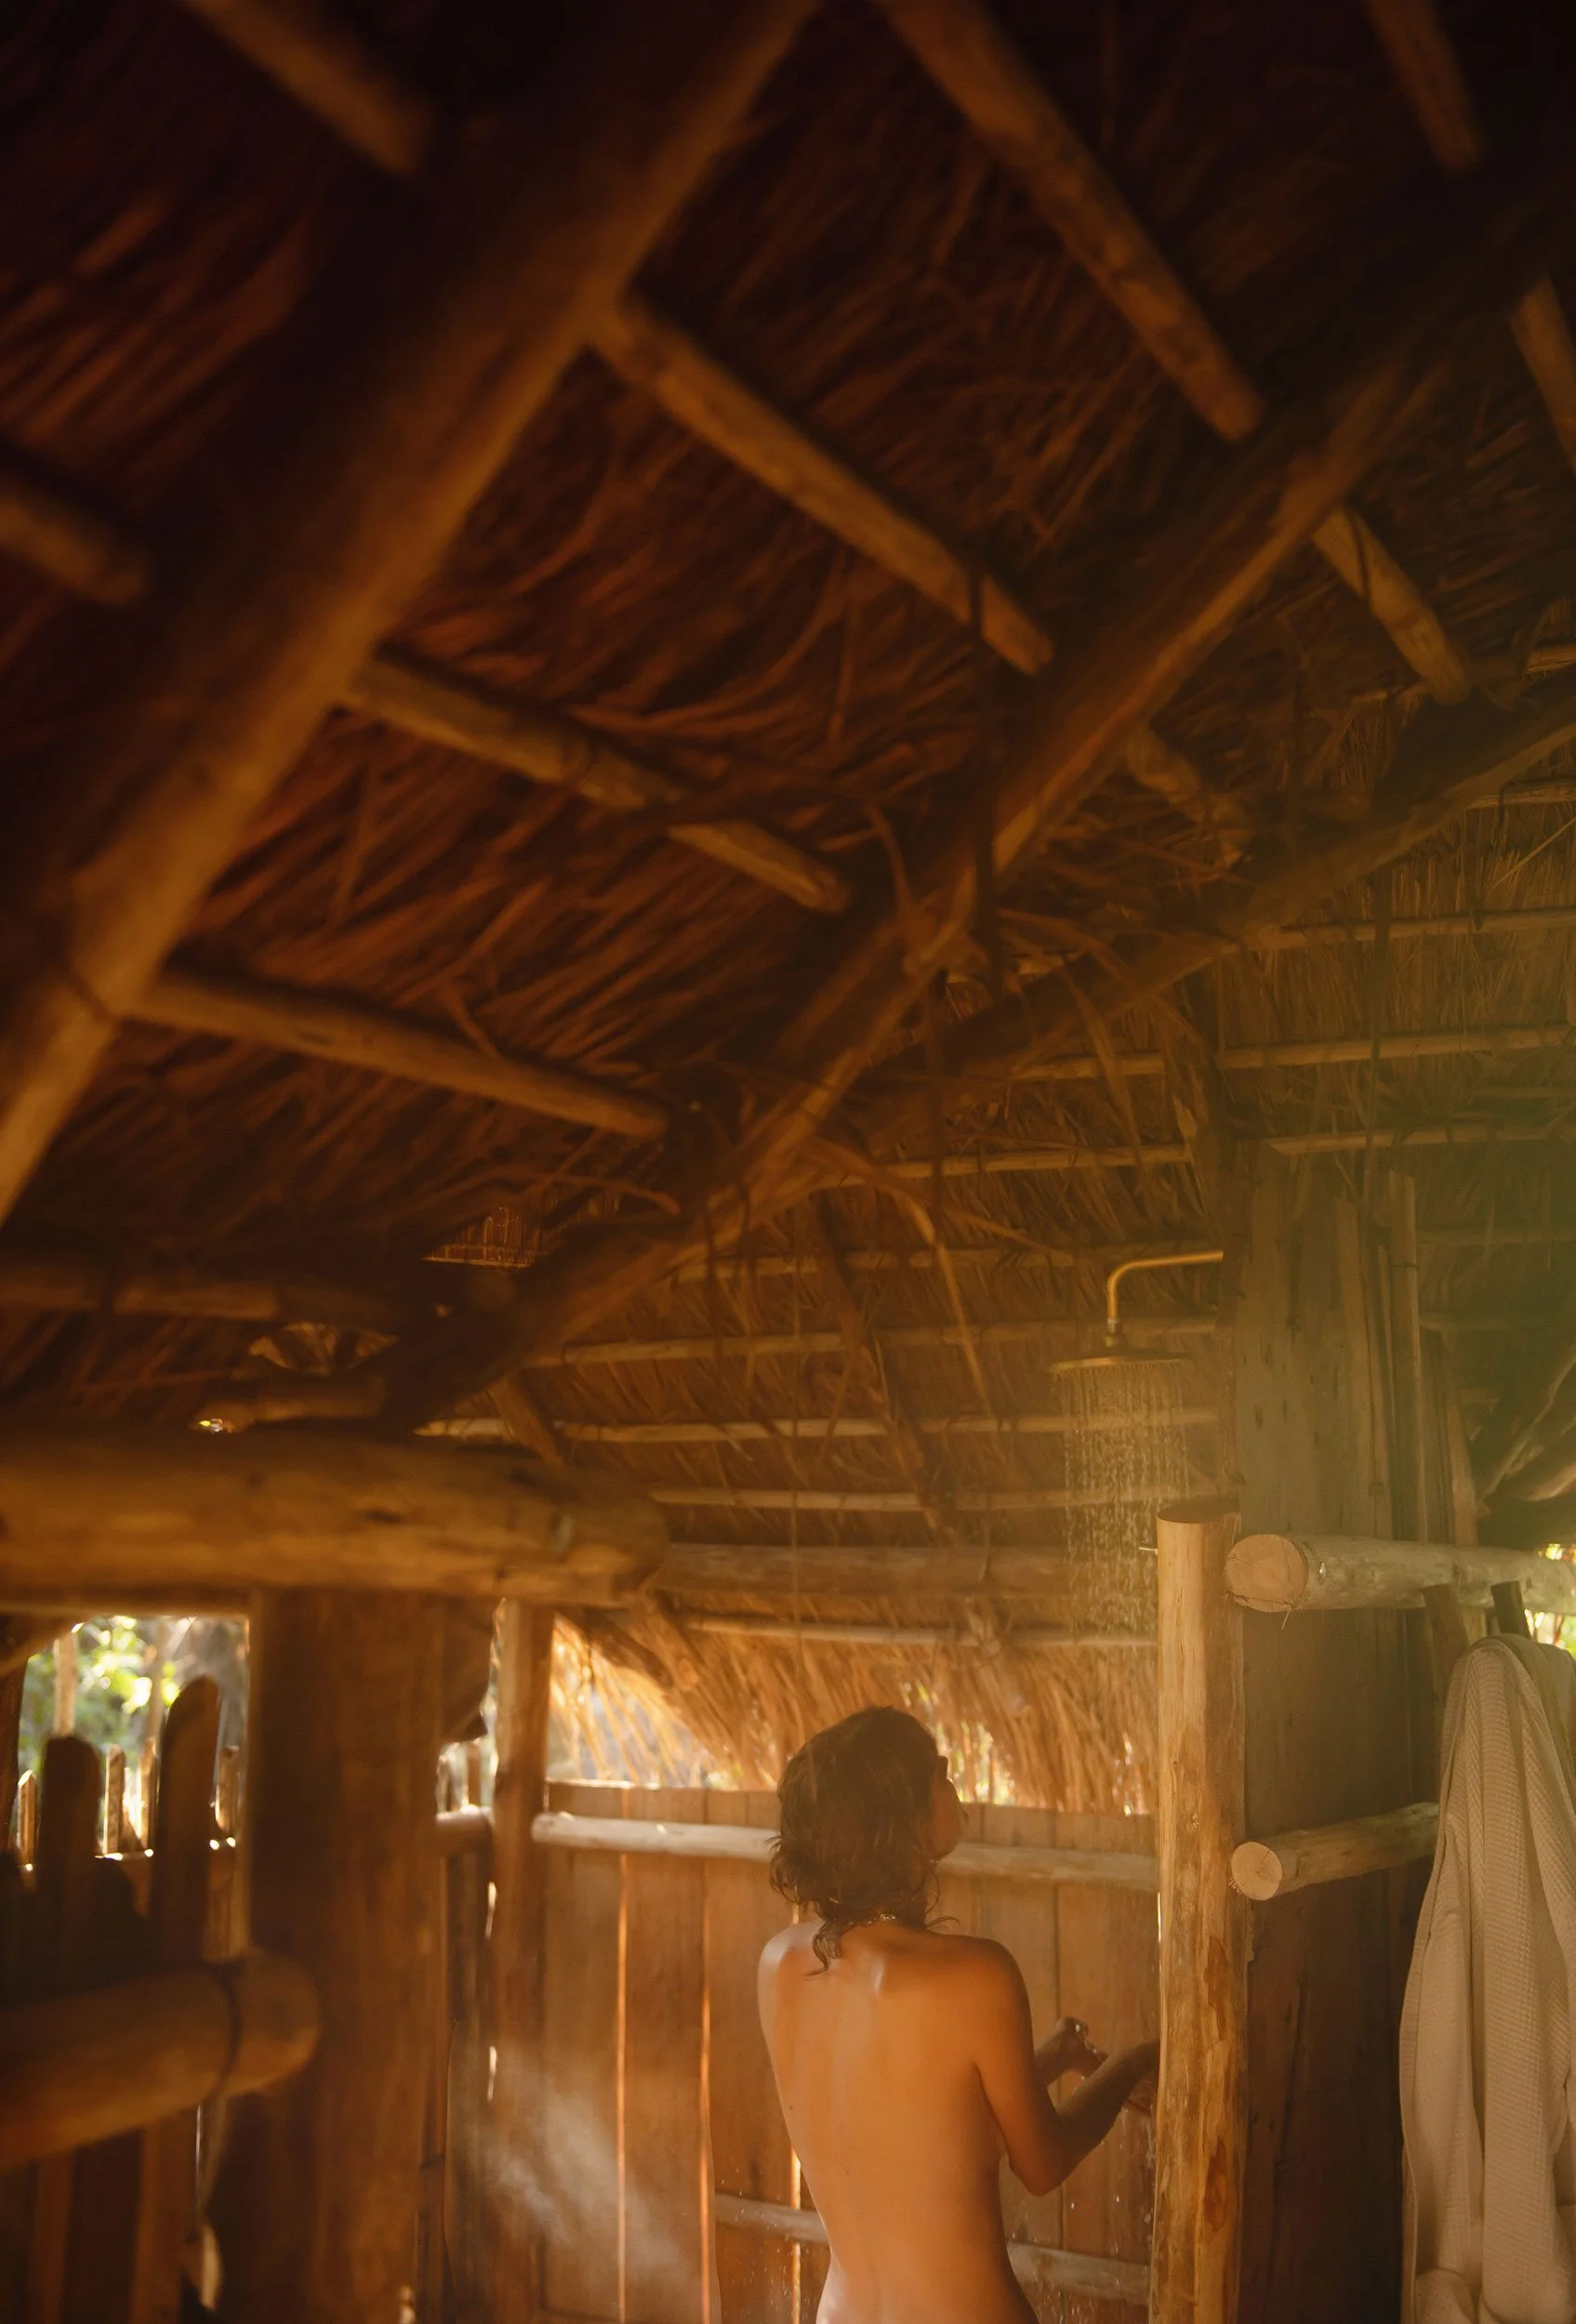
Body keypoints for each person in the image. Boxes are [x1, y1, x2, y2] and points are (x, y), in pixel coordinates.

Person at [758, 1706, 1159, 2324]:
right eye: (938, 1771)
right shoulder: (976, 1975)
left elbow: (917, 2127)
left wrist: (1054, 2058)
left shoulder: (780, 1966)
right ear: (904, 1824)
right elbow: (1042, 2162)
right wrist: (1134, 2063)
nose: (952, 1783)